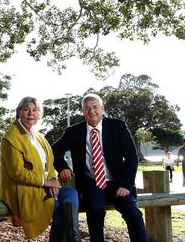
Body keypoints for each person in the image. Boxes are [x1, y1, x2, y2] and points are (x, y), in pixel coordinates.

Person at [51, 93, 149, 242]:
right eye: (87, 108)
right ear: (83, 112)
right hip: (92, 183)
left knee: (133, 212)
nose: (92, 111)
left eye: (95, 107)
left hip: (119, 183)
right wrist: (63, 167)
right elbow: (55, 150)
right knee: (95, 210)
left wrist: (126, 185)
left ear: (102, 108)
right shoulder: (74, 132)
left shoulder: (117, 126)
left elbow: (131, 157)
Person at [0, 97, 79, 241]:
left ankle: (71, 236)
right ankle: (72, 237)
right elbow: (17, 172)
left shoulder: (39, 138)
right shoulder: (11, 138)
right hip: (23, 187)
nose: (31, 113)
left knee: (70, 194)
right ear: (19, 112)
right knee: (59, 207)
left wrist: (53, 179)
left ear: (39, 114)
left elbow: (49, 165)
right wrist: (46, 183)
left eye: (35, 110)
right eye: (26, 109)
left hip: (44, 185)